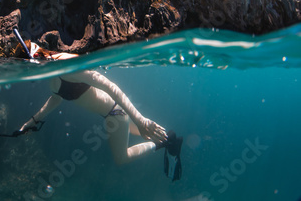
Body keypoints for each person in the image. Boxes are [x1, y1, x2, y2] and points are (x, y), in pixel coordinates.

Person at [14, 40, 183, 181]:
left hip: (115, 114)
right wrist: (28, 124)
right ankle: (170, 138)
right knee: (140, 133)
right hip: (113, 113)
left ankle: (163, 144)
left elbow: (110, 87)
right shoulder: (53, 75)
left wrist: (140, 119)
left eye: (31, 72)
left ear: (34, 58)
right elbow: (56, 98)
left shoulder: (65, 65)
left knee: (121, 158)